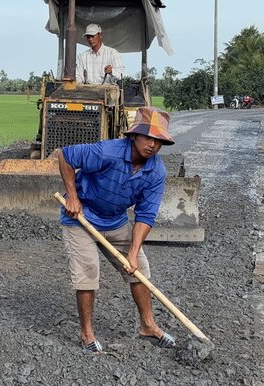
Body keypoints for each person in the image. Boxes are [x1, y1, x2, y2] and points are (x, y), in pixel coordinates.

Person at [57, 106, 176, 354]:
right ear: (135, 135)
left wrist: (132, 252)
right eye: (148, 138)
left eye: (159, 141)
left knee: (140, 269)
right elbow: (65, 156)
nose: (153, 145)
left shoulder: (156, 171)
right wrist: (73, 197)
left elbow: (145, 214)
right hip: (82, 217)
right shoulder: (107, 151)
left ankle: (147, 325)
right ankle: (87, 333)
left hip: (114, 220)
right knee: (88, 270)